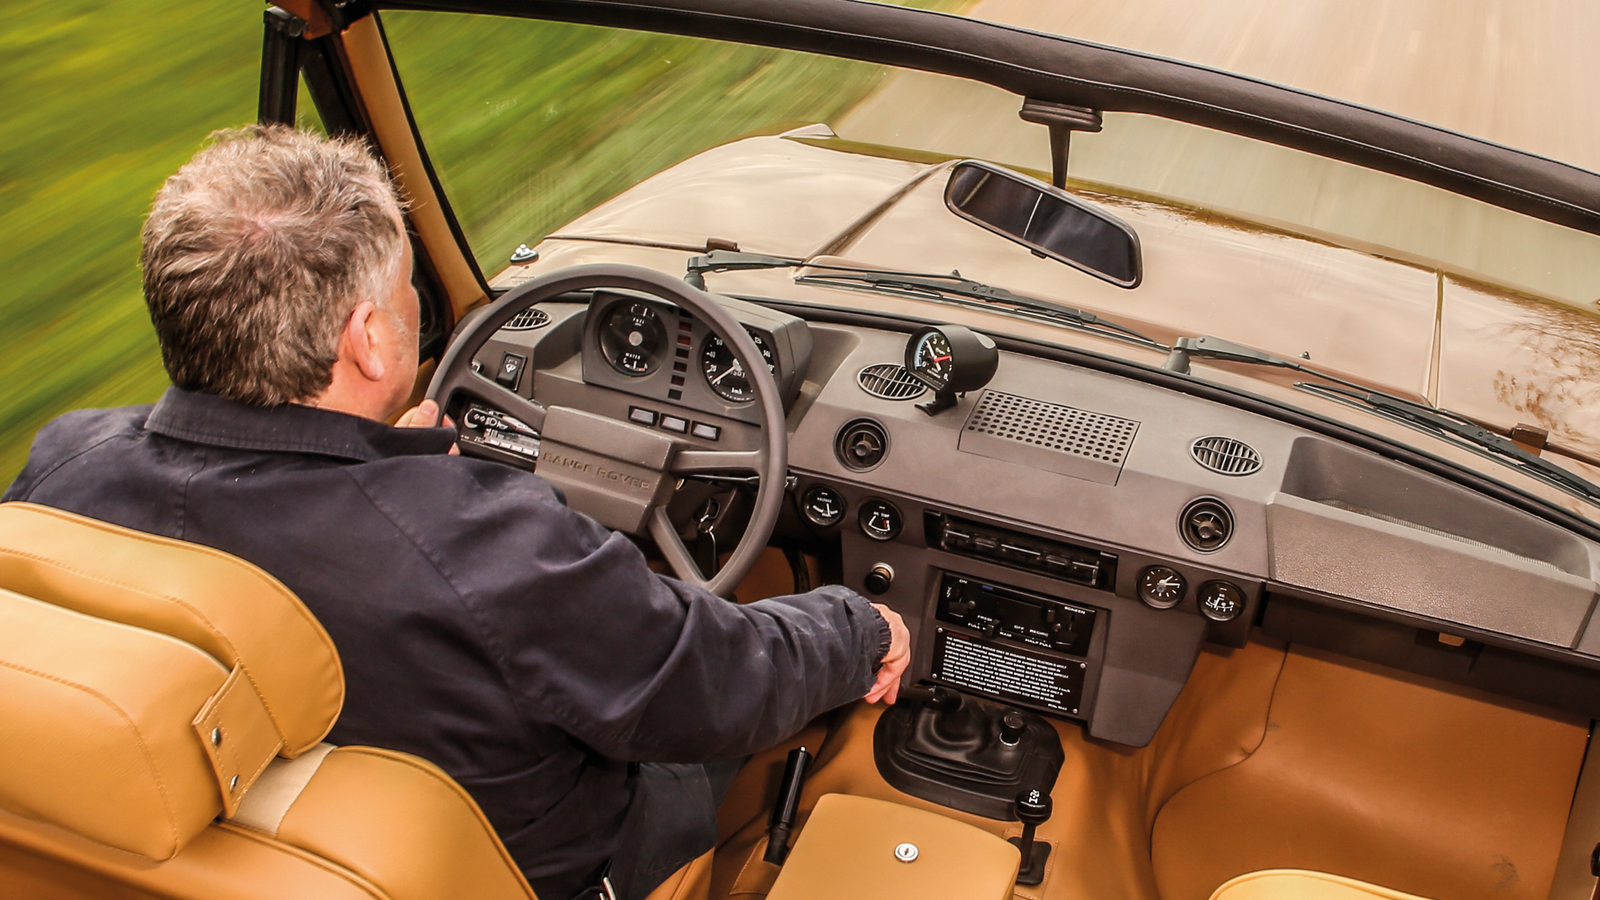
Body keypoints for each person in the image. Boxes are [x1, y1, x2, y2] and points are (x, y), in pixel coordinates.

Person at [3, 125, 910, 900]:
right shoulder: (493, 548)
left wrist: (380, 460)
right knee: (745, 743)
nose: (414, 309)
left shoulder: (67, 466)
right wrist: (856, 626)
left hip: (230, 852)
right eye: (406, 292)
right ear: (365, 341)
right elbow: (718, 682)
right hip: (542, 865)